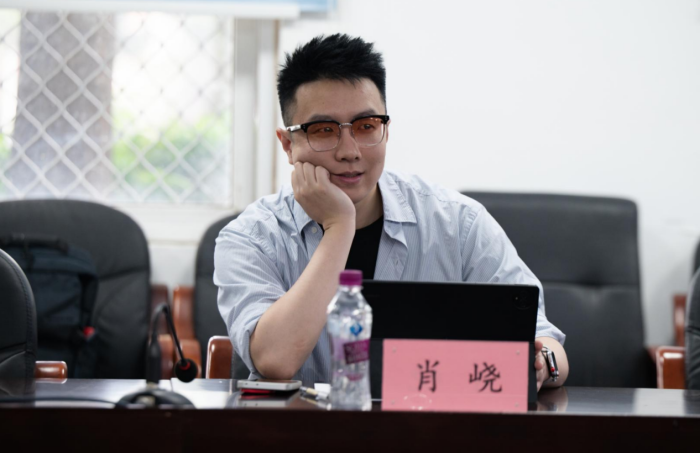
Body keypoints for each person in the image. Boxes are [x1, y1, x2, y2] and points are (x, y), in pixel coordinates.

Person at [215, 34, 569, 390]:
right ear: (288, 144)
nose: (349, 151)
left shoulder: (459, 224)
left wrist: (542, 364)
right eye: (323, 131)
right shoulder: (251, 237)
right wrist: (339, 226)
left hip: (427, 423)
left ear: (385, 131)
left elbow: (545, 342)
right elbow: (275, 361)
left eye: (366, 126)